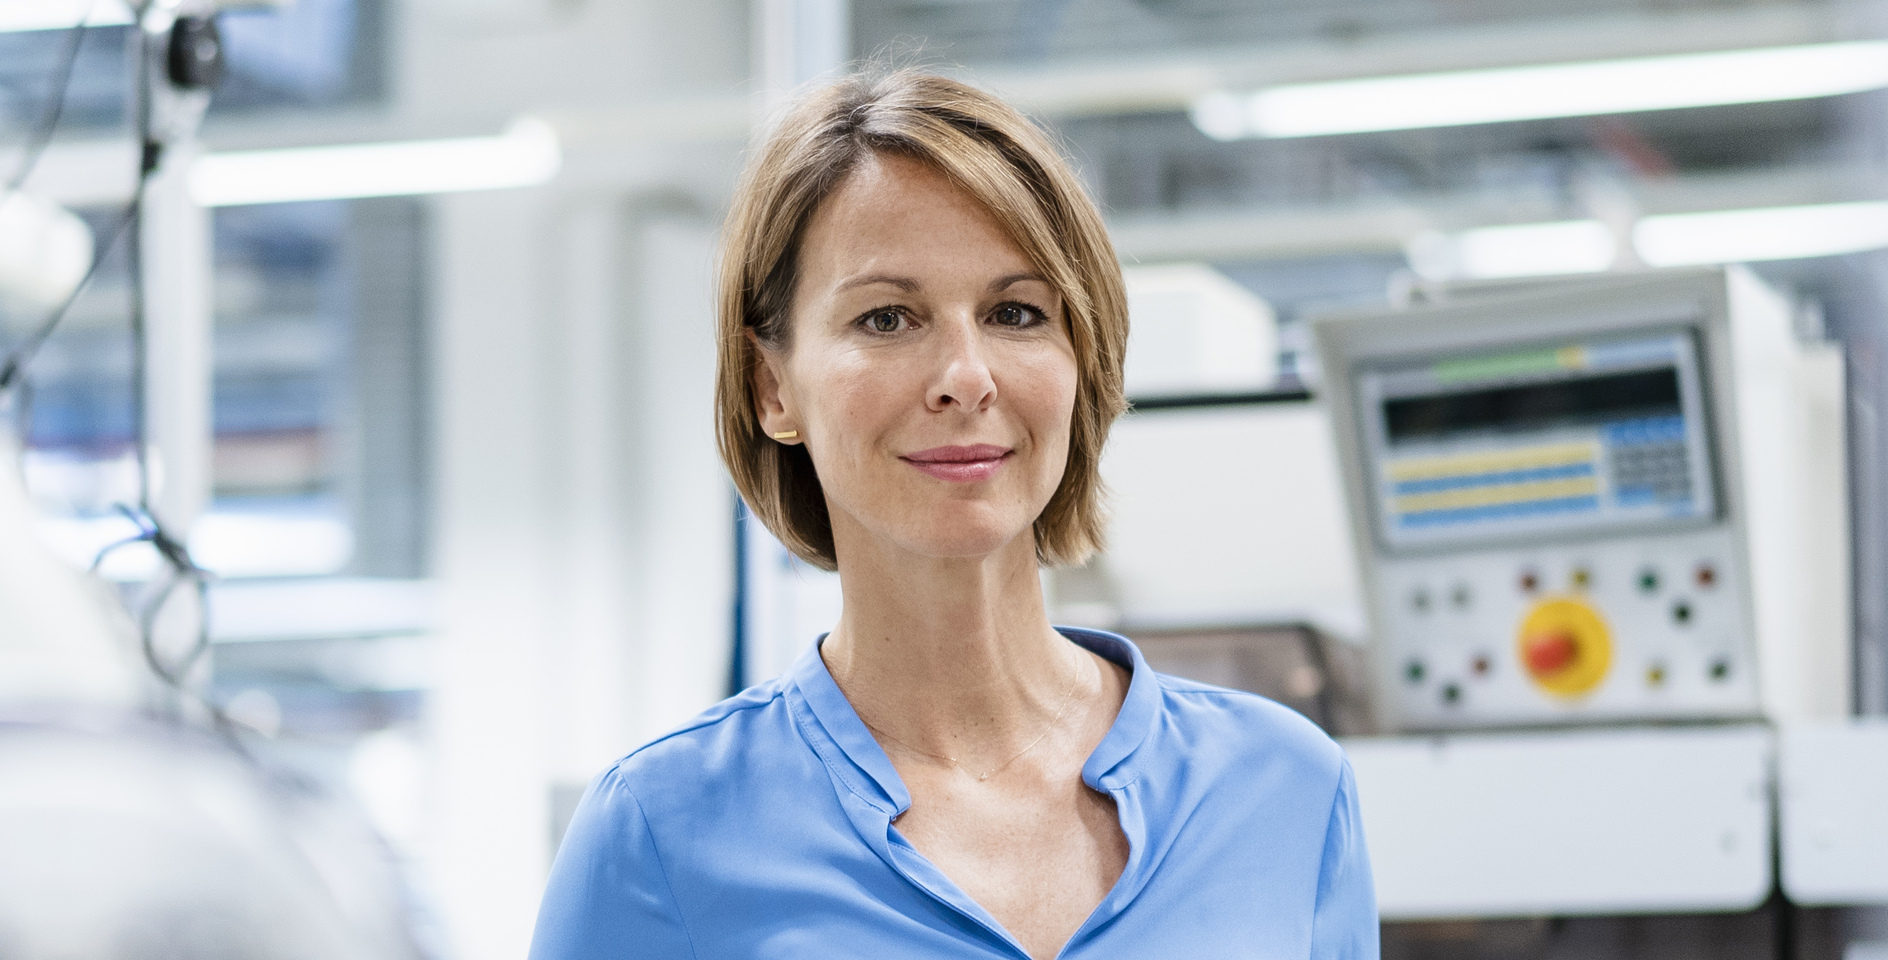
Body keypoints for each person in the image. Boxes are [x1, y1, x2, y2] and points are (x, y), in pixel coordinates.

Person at [529, 69, 1375, 960]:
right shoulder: (659, 834)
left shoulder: (1284, 788)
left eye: (1016, 312)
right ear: (770, 385)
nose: (966, 377)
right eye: (888, 318)